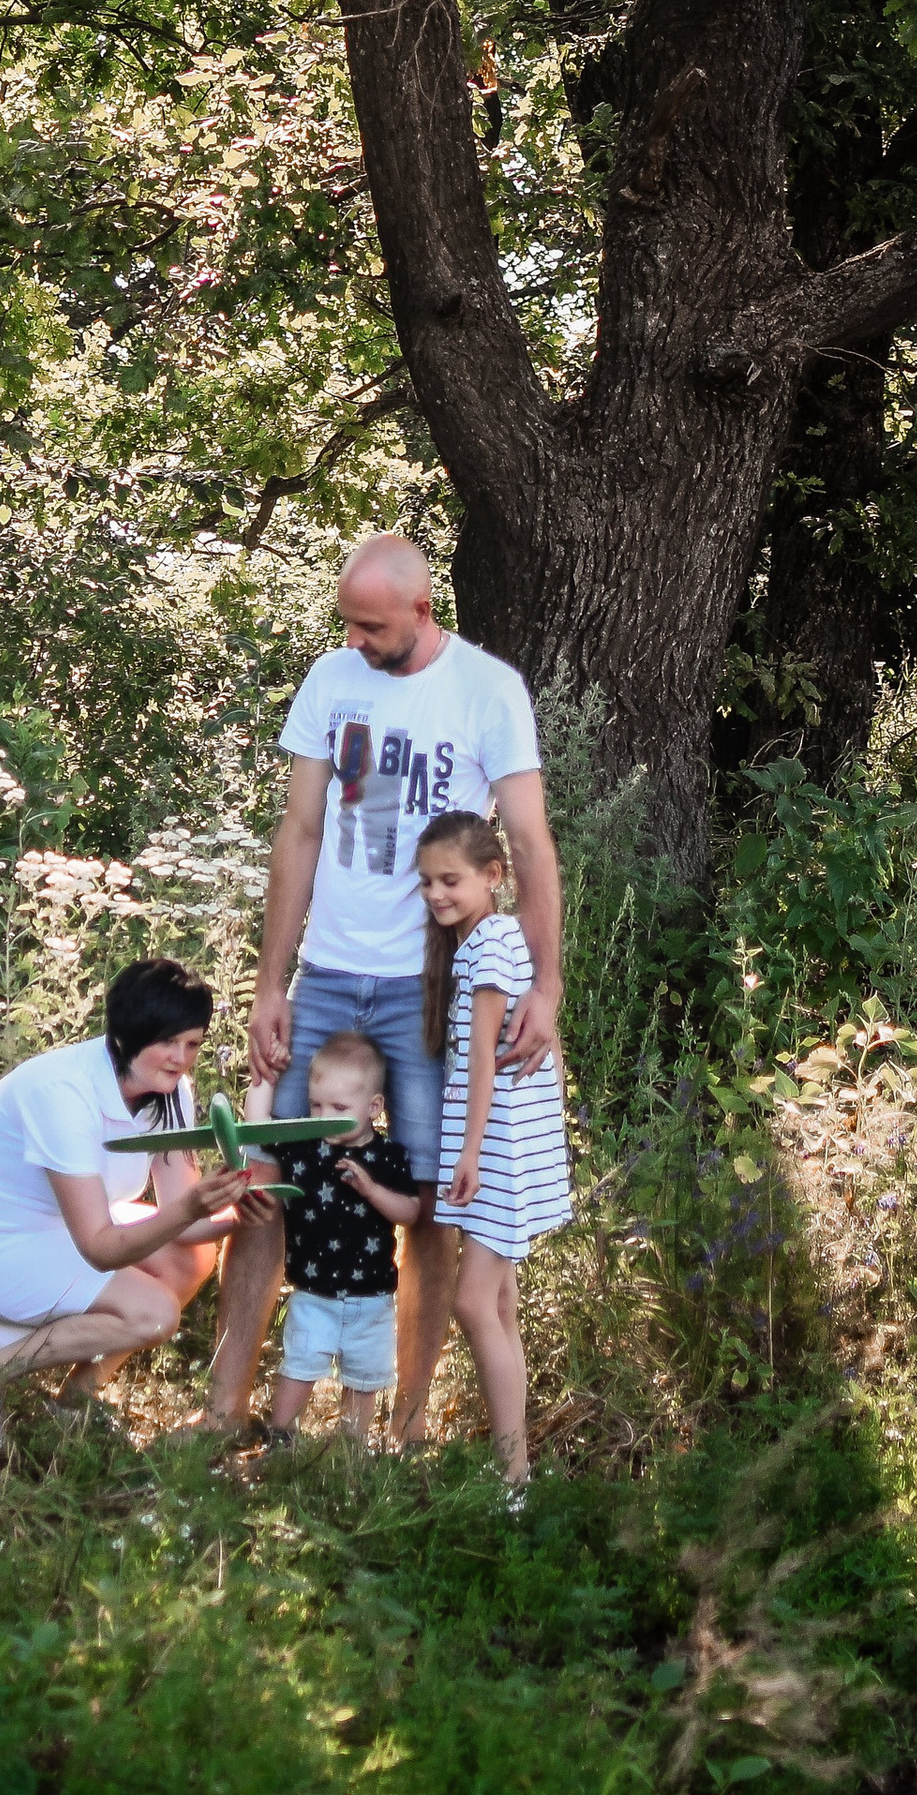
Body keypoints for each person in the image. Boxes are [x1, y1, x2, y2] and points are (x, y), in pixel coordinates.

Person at [208, 532, 562, 1443]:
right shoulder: (331, 681)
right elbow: (298, 831)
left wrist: (545, 985)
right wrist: (270, 984)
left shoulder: (489, 690)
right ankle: (224, 1415)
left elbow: (528, 843)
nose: (357, 642)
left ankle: (401, 1426)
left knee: (436, 1198)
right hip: (326, 973)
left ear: (421, 610)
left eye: (373, 627)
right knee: (266, 1175)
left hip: (427, 992)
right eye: (348, 626)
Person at [0, 956, 270, 1447]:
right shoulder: (63, 1092)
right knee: (152, 1315)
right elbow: (101, 1247)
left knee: (192, 1258)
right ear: (128, 1035)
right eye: (166, 1041)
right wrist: (194, 1207)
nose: (180, 1057)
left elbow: (185, 1224)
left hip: (56, 1228)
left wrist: (233, 1213)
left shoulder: (170, 1092)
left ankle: (74, 1404)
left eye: (191, 1043)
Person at [420, 809, 575, 1493]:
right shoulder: (508, 943)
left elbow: (481, 1060)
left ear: (494, 876)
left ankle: (513, 1474)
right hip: (516, 1145)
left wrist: (470, 1154)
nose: (436, 895)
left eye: (450, 880)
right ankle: (516, 1469)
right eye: (426, 884)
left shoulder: (487, 948)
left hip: (496, 1152)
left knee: (474, 1305)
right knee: (499, 1304)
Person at [259, 1031, 422, 1451]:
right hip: (313, 1293)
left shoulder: (388, 1158)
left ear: (373, 1108)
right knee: (299, 1366)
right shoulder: (306, 1148)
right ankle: (281, 1439)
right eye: (316, 1105)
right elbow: (257, 1131)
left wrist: (371, 1190)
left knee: (364, 1377)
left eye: (338, 1108)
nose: (324, 1115)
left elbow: (410, 1213)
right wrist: (266, 1075)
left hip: (372, 1297)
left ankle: (349, 1450)